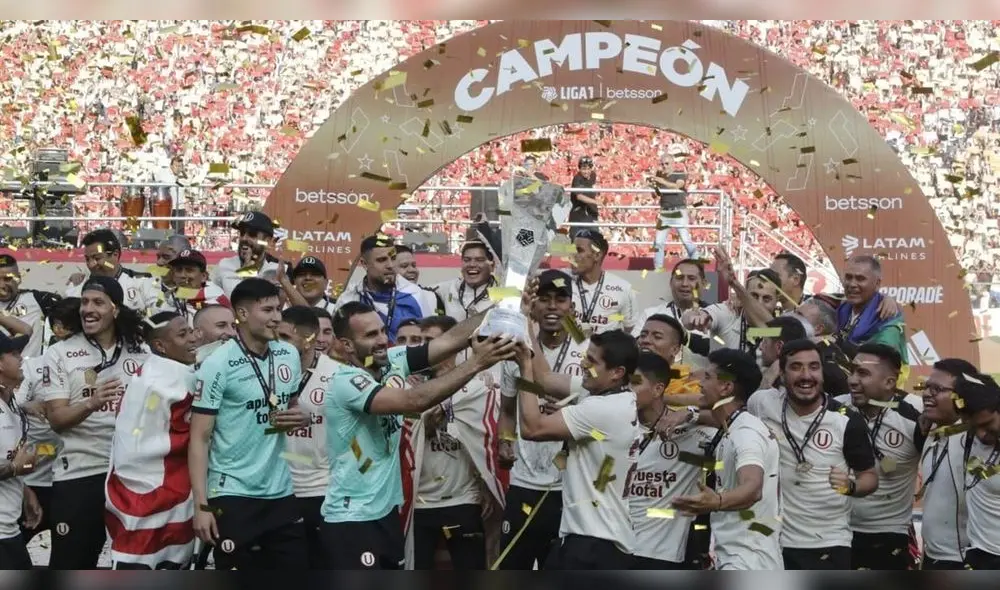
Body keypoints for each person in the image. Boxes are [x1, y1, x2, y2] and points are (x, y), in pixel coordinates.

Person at [321, 301, 515, 570]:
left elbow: (450, 340)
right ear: (347, 345)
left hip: (386, 513)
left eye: (380, 331)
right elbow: (414, 400)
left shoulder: (392, 361)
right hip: (352, 518)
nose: (381, 341)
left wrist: (502, 306)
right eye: (370, 335)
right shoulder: (346, 381)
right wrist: (477, 363)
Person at [189, 278, 311, 571]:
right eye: (268, 310)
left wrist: (302, 415)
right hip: (232, 493)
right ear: (242, 315)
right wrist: (201, 506)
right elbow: (199, 439)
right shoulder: (217, 364)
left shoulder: (289, 354)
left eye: (278, 309)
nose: (277, 317)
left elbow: (291, 406)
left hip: (281, 491)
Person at [41, 276, 149, 569]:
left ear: (115, 309)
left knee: (132, 565)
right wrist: (91, 402)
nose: (88, 309)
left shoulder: (140, 351)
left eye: (98, 302)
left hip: (131, 474)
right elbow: (57, 420)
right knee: (71, 565)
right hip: (80, 474)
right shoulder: (60, 353)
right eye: (85, 302)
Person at [746, 339, 878, 570]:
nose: (806, 375)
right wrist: (690, 414)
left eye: (814, 367)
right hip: (773, 540)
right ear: (783, 374)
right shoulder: (762, 404)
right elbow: (727, 414)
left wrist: (851, 486)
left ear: (823, 373)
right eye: (796, 367)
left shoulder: (846, 419)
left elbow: (870, 476)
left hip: (829, 542)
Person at [513, 329, 639, 570]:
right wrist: (527, 323)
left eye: (592, 361)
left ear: (616, 373)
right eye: (585, 356)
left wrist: (524, 367)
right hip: (602, 540)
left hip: (591, 544)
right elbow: (546, 378)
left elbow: (532, 428)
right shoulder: (619, 396)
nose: (582, 364)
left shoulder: (602, 409)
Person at [496, 269, 591, 570]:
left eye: (560, 299)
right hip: (524, 481)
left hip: (570, 486)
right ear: (533, 307)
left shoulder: (590, 349)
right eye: (544, 299)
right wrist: (505, 439)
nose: (552, 306)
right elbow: (508, 409)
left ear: (572, 306)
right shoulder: (515, 347)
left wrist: (567, 414)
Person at [405, 315, 505, 570]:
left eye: (430, 341)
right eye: (420, 342)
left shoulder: (478, 390)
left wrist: (485, 484)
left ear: (453, 345)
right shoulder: (405, 390)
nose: (423, 349)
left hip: (463, 501)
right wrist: (424, 425)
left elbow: (488, 442)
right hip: (419, 503)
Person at [672, 348, 783, 570]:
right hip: (738, 556)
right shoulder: (733, 426)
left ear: (726, 387)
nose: (699, 384)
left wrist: (716, 502)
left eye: (707, 377)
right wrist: (691, 414)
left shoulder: (746, 433)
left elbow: (753, 488)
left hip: (747, 560)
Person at [105, 311, 200, 569]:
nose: (193, 338)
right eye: (183, 334)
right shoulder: (163, 379)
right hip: (150, 489)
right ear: (160, 345)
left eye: (191, 331)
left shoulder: (157, 371)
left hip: (151, 488)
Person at [629, 352, 717, 569]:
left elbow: (737, 418)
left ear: (658, 389)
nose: (626, 391)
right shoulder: (612, 428)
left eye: (634, 384)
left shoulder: (693, 433)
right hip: (614, 549)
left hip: (661, 556)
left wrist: (692, 413)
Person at [842, 343, 925, 570]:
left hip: (891, 535)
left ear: (889, 382)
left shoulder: (917, 415)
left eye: (863, 373)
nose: (852, 380)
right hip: (837, 532)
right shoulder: (835, 409)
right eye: (852, 371)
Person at [276, 306, 343, 569]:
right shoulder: (267, 370)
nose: (276, 343)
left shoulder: (337, 375)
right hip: (278, 490)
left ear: (308, 340)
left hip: (323, 488)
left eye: (284, 337)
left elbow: (356, 440)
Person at [16, 298, 80, 544]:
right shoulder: (34, 367)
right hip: (32, 479)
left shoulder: (99, 366)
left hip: (73, 478)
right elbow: (12, 404)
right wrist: (26, 405)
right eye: (57, 324)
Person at [918, 358, 979, 570]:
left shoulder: (975, 440)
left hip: (964, 561)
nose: (927, 394)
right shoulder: (933, 429)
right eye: (926, 387)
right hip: (932, 558)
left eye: (937, 389)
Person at [333, 235, 437, 343]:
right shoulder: (348, 300)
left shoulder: (414, 294)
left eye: (393, 258)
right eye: (382, 260)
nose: (391, 265)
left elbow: (429, 342)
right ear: (364, 264)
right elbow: (338, 343)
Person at [0, 331, 42, 570]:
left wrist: (25, 492)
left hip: (8, 529)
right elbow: (12, 464)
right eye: (15, 354)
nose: (22, 359)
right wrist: (15, 468)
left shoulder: (12, 403)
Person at [952, 373, 1000, 570]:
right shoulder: (965, 436)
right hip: (978, 555)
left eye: (987, 425)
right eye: (973, 427)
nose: (981, 434)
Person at [634, 258, 711, 368]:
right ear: (671, 283)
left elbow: (718, 351)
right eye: (679, 278)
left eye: (691, 278)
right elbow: (636, 346)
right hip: (657, 382)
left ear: (703, 284)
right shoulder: (650, 314)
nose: (685, 283)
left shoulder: (715, 317)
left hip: (698, 383)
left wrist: (685, 337)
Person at [686, 269, 783, 356]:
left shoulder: (782, 329)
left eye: (766, 299)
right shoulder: (729, 312)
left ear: (777, 300)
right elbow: (692, 318)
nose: (758, 304)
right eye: (753, 297)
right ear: (744, 296)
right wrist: (694, 318)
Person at [66, 229, 161, 315]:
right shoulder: (78, 286)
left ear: (115, 255)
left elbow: (160, 312)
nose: (91, 265)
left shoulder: (142, 282)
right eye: (87, 259)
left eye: (97, 258)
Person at [837, 256, 907, 362]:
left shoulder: (888, 315)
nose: (852, 284)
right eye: (848, 277)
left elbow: (883, 358)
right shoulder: (841, 305)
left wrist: (840, 345)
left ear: (877, 283)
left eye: (860, 279)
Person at [571, 230, 636, 335]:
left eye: (579, 250)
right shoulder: (562, 283)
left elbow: (630, 328)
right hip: (570, 349)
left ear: (597, 255)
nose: (572, 255)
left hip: (606, 350)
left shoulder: (623, 288)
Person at [0, 252, 62, 357]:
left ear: (18, 278)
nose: (2, 285)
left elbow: (72, 309)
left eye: (7, 279)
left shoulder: (38, 299)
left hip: (32, 371)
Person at [211, 212, 281, 298]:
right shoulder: (224, 265)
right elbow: (209, 301)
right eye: (242, 233)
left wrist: (248, 279)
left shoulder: (276, 271)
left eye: (252, 234)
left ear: (267, 242)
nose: (244, 238)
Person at [650, 151, 697, 264]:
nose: (664, 166)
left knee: (686, 241)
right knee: (658, 242)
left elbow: (678, 186)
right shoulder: (660, 176)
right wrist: (653, 186)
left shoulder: (679, 174)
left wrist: (662, 181)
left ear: (673, 164)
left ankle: (697, 263)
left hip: (678, 210)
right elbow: (656, 195)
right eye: (662, 164)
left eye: (667, 163)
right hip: (665, 212)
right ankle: (658, 269)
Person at [156, 249, 229, 321]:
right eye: (179, 270)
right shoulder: (164, 298)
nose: (182, 275)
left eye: (189, 270)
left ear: (203, 276)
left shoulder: (218, 301)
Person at [434, 241, 496, 322]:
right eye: (467, 260)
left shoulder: (504, 294)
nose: (472, 264)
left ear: (492, 266)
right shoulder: (447, 289)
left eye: (479, 260)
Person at [758, 315, 809, 389]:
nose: (760, 347)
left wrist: (765, 384)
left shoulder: (780, 389)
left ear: (779, 347)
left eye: (765, 342)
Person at [567, 155, 598, 238]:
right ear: (579, 169)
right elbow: (579, 196)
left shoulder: (593, 176)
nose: (586, 171)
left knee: (595, 238)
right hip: (578, 213)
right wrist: (595, 201)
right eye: (583, 169)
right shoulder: (577, 179)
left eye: (588, 168)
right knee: (576, 238)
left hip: (591, 212)